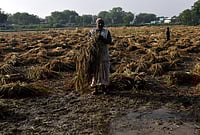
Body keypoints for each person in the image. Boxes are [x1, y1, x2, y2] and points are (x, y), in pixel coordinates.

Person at [88, 18, 112, 95]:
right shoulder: (91, 32)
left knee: (105, 72)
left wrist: (102, 39)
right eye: (99, 23)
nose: (101, 24)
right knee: (95, 72)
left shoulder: (106, 32)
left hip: (104, 55)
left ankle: (105, 88)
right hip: (95, 56)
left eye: (102, 23)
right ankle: (96, 88)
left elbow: (109, 41)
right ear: (96, 24)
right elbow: (88, 42)